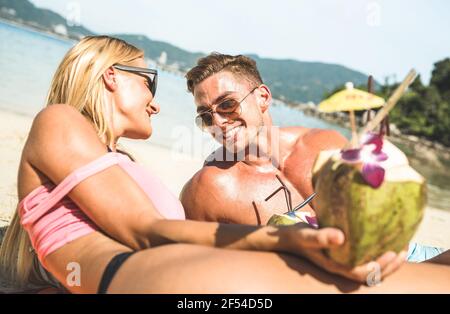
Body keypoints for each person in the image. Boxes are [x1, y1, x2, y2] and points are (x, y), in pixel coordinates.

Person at [1, 37, 449, 294]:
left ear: (264, 99)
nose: (156, 106)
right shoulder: (59, 121)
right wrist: (283, 239)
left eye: (228, 104)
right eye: (149, 81)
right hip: (152, 277)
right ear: (111, 75)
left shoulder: (112, 160)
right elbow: (146, 231)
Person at [180, 53, 447, 263]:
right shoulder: (210, 188)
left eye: (227, 104)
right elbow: (198, 265)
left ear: (263, 97)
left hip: (397, 252)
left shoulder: (326, 143)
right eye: (206, 116)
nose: (218, 121)